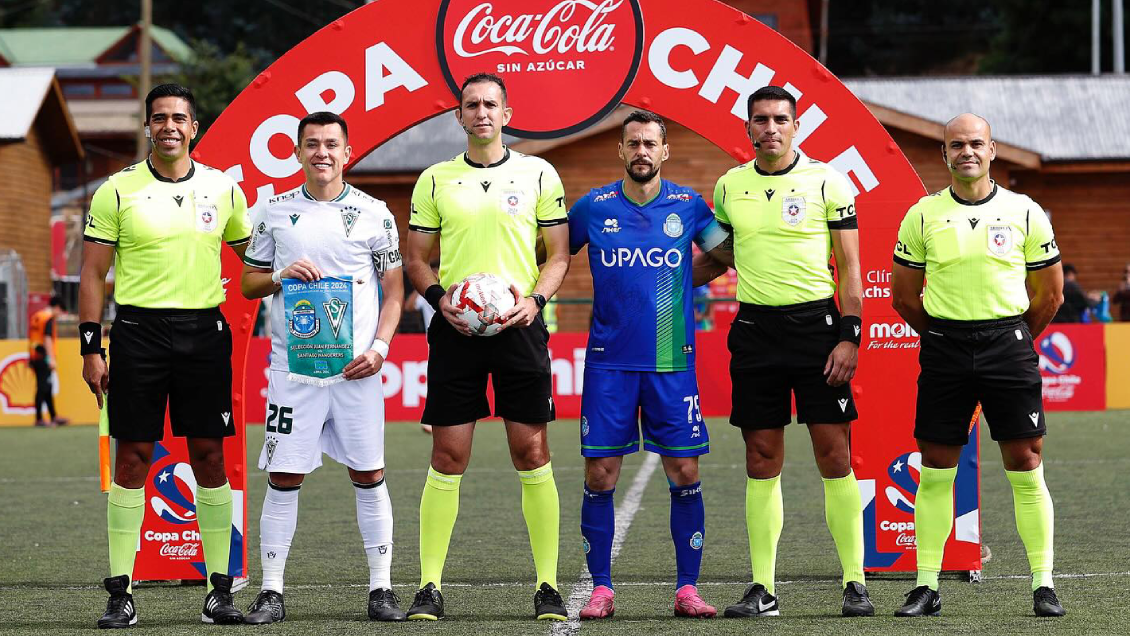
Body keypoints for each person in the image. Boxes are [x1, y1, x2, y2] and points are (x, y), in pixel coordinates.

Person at [695, 85, 871, 617]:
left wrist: (849, 335)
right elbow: (721, 256)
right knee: (760, 458)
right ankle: (763, 588)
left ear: (797, 126)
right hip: (754, 332)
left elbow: (852, 268)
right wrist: (665, 275)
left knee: (833, 455)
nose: (770, 127)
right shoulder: (730, 186)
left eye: (779, 119)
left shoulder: (827, 180)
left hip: (817, 330)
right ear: (747, 128)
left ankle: (855, 583)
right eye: (760, 120)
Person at [79, 83, 250, 627]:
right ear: (147, 127)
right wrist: (90, 347)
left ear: (194, 127)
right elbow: (91, 274)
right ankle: (120, 593)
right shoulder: (117, 190)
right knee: (132, 458)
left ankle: (219, 592)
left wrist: (298, 272)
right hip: (137, 333)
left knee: (209, 457)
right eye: (160, 118)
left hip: (204, 334)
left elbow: (255, 262)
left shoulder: (224, 190)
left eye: (179, 118)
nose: (170, 126)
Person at [404, 72, 571, 621]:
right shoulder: (434, 179)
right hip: (457, 332)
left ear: (507, 113)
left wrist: (537, 302)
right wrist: (436, 298)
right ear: (459, 115)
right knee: (448, 455)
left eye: (490, 104)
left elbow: (559, 256)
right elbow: (417, 259)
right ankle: (430, 585)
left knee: (532, 452)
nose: (480, 112)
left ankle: (547, 584)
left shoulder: (538, 172)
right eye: (471, 104)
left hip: (520, 328)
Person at [891, 113, 1066, 618]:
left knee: (1026, 465)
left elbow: (1050, 294)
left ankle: (1043, 584)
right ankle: (926, 586)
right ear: (944, 155)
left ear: (992, 151)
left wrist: (1013, 340)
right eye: (955, 145)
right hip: (945, 347)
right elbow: (905, 298)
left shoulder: (1025, 211)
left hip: (1007, 345)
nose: (966, 152)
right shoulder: (922, 215)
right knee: (936, 472)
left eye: (975, 144)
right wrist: (946, 337)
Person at [239, 111, 406, 623]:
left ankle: (380, 589)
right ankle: (271, 592)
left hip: (356, 372)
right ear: (297, 152)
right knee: (284, 476)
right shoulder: (271, 211)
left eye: (331, 144)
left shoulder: (376, 213)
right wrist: (279, 277)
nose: (322, 153)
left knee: (370, 473)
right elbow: (248, 283)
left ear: (348, 152)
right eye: (311, 144)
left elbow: (396, 291)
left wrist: (379, 349)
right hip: (294, 373)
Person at [568, 111, 730, 620]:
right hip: (609, 362)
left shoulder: (690, 205)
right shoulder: (593, 207)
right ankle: (601, 589)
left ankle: (687, 590)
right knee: (601, 473)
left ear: (665, 152)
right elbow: (547, 255)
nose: (641, 151)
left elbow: (726, 255)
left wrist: (682, 278)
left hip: (669, 357)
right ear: (621, 150)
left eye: (650, 144)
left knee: (684, 469)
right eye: (633, 143)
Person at [28, 296, 68, 426]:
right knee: (42, 387)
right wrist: (51, 359)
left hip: (34, 355)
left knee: (47, 387)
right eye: (61, 311)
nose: (60, 314)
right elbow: (47, 339)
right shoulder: (48, 319)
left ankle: (53, 416)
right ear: (56, 307)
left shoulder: (37, 316)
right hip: (43, 357)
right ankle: (39, 418)